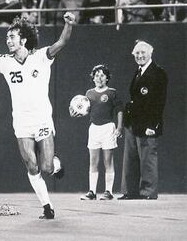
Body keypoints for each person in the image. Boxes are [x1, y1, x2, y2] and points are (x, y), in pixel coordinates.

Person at [0, 12, 76, 219]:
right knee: (32, 166)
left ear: (23, 39)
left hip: (41, 119)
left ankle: (56, 164)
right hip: (21, 122)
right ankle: (47, 206)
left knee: (47, 167)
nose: (8, 41)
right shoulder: (5, 62)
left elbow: (63, 41)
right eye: (7, 38)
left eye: (12, 37)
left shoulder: (41, 57)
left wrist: (68, 24)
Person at [119, 40, 167, 200]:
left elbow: (159, 103)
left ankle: (148, 192)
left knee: (147, 158)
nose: (140, 56)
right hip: (132, 122)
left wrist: (153, 124)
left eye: (142, 53)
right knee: (131, 158)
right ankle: (130, 191)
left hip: (147, 123)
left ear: (150, 54)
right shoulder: (138, 72)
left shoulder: (158, 73)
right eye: (137, 53)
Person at [70, 65, 123, 200]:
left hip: (108, 129)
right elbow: (83, 110)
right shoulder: (88, 94)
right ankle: (92, 192)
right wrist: (74, 113)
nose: (99, 78)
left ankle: (108, 192)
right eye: (97, 75)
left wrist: (119, 127)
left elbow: (119, 111)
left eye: (102, 75)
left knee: (108, 161)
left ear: (107, 78)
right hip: (94, 129)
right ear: (93, 78)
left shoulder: (112, 93)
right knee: (93, 161)